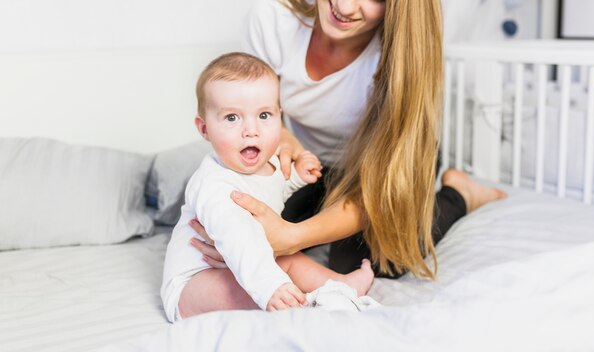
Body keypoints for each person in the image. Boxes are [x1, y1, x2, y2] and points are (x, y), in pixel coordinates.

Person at [185, 0, 505, 317]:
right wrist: (284, 138)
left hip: (387, 171)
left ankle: (459, 194)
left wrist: (292, 237)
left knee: (373, 260)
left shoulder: (397, 57)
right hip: (316, 166)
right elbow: (256, 108)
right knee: (256, 227)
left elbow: (377, 191)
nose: (345, 6)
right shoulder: (273, 20)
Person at [161, 52, 374, 322]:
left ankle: (341, 286)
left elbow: (271, 196)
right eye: (231, 118)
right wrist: (271, 286)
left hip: (249, 263)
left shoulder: (269, 165)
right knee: (245, 291)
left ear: (279, 117)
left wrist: (295, 178)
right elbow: (237, 237)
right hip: (197, 281)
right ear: (204, 129)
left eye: (263, 115)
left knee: (290, 259)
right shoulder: (212, 184)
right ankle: (306, 308)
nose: (251, 130)